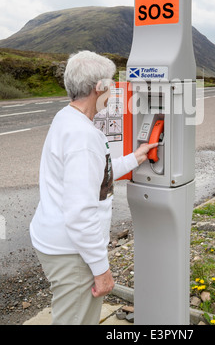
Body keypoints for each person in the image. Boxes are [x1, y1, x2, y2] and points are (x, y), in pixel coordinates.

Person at [30, 50, 156, 325]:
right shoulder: (83, 137)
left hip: (54, 239)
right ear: (99, 88)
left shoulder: (67, 118)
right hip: (71, 252)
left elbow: (95, 174)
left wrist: (134, 158)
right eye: (110, 84)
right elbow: (80, 213)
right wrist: (101, 271)